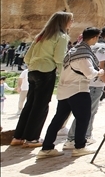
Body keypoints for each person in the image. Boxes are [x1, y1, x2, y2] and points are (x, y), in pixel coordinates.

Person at [37, 27, 105, 158]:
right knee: (83, 118)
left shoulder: (73, 50)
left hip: (64, 89)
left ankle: (47, 148)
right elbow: (89, 73)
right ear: (94, 38)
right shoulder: (83, 54)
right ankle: (79, 146)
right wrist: (100, 72)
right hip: (77, 90)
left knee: (58, 120)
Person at [11, 11, 73, 148]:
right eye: (70, 20)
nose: (72, 23)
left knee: (30, 104)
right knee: (40, 106)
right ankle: (32, 138)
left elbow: (27, 57)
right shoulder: (62, 36)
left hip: (32, 71)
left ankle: (18, 136)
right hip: (46, 72)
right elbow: (59, 58)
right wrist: (64, 76)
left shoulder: (41, 36)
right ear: (63, 22)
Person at [65, 24, 105, 148]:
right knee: (87, 112)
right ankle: (73, 138)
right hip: (95, 82)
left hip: (82, 81)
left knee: (86, 111)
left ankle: (85, 135)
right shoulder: (104, 47)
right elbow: (101, 66)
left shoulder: (90, 45)